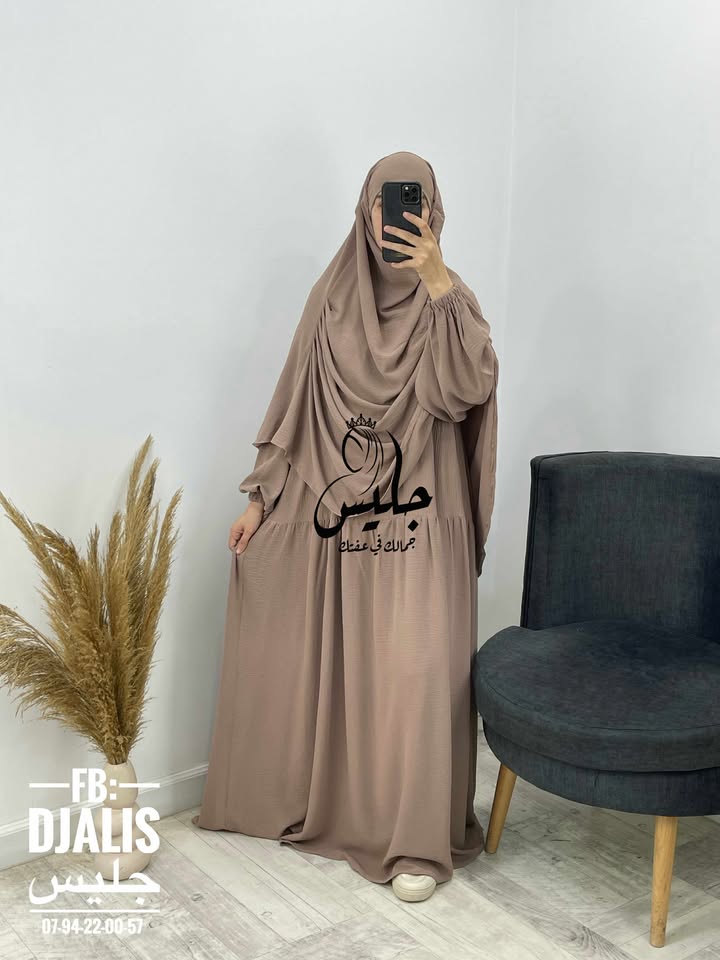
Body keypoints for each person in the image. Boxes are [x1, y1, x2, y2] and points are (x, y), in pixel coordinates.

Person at [192, 151, 499, 903]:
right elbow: (293, 406)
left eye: (413, 204)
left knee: (417, 670)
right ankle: (334, 808)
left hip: (423, 511)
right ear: (365, 213)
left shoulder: (452, 298)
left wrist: (437, 282)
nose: (397, 219)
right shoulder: (329, 299)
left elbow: (468, 389)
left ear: (433, 214)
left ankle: (415, 839)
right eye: (384, 205)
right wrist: (260, 501)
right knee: (336, 661)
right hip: (337, 515)